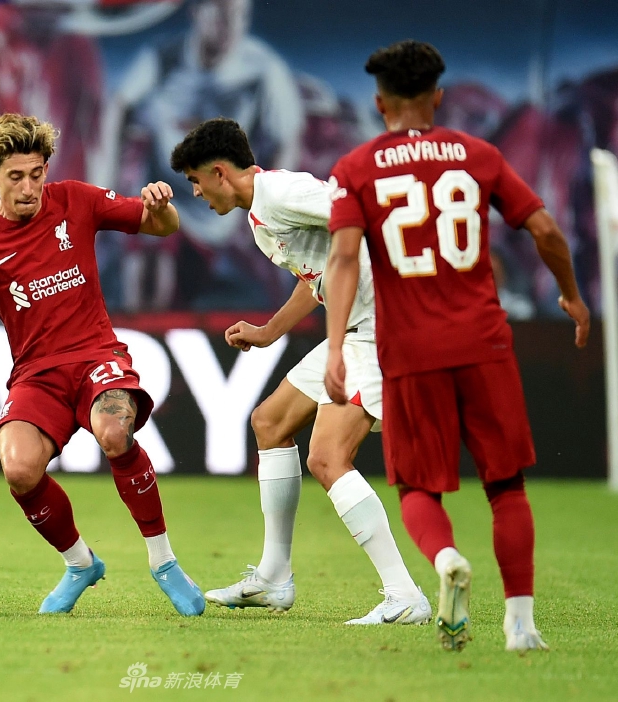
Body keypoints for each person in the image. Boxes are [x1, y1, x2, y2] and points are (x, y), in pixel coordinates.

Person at [323, 41, 590, 651]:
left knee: (418, 488)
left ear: (379, 103)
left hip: (410, 353)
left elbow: (342, 257)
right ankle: (520, 624)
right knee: (506, 486)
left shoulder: (356, 168)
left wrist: (336, 346)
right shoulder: (478, 155)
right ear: (438, 97)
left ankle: (445, 559)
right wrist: (572, 296)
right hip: (485, 344)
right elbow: (546, 229)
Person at [0, 113, 205, 616]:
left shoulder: (76, 200)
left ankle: (163, 561)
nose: (29, 188)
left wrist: (162, 208)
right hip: (36, 373)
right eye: (16, 176)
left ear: (46, 169)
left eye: (36, 174)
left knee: (115, 432)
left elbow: (161, 225)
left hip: (96, 355)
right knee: (19, 470)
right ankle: (80, 564)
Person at [169, 117, 430, 624]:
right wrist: (270, 331)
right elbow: (318, 275)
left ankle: (404, 595)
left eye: (196, 181)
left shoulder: (284, 193)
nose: (196, 193)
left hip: (380, 328)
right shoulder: (259, 214)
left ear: (220, 173)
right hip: (353, 328)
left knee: (328, 458)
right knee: (269, 422)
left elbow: (360, 214)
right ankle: (274, 577)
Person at [97, 0, 304, 311]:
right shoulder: (163, 57)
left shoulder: (264, 70)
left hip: (216, 214)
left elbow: (287, 137)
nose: (230, 26)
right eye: (221, 13)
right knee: (140, 274)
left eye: (239, 15)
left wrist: (263, 208)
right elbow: (118, 106)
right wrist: (105, 183)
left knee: (186, 295)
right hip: (161, 195)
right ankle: (138, 333)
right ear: (196, 12)